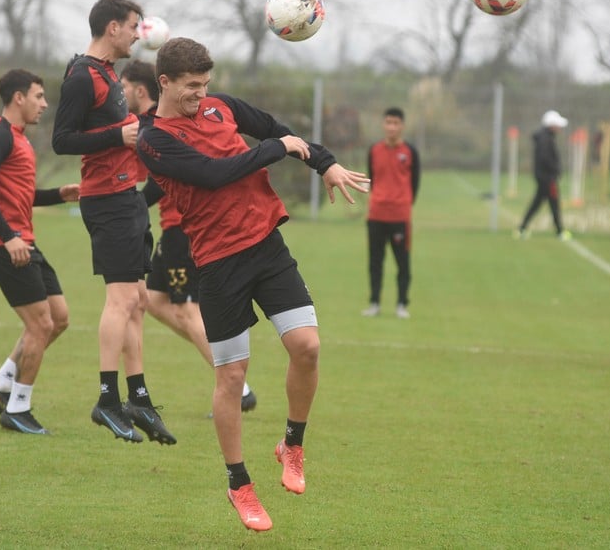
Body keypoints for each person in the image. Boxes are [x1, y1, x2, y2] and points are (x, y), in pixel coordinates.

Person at [136, 37, 369, 531]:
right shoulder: (153, 139)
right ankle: (239, 483)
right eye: (191, 86)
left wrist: (324, 162)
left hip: (266, 247)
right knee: (232, 377)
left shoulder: (222, 107)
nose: (201, 94)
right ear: (165, 83)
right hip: (219, 264)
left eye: (205, 84)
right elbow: (212, 174)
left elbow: (281, 132)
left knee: (307, 346)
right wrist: (273, 150)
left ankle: (292, 444)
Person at [52, 0, 175, 445]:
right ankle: (107, 399)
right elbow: (62, 140)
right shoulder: (83, 75)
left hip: (126, 198)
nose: (137, 34)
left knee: (137, 302)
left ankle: (138, 396)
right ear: (111, 28)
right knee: (121, 301)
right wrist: (117, 135)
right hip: (106, 201)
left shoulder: (107, 74)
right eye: (132, 26)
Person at [121, 59, 258, 413]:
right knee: (154, 300)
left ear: (141, 89)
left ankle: (237, 387)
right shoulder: (152, 125)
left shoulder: (159, 128)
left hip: (184, 228)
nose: (120, 96)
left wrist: (130, 204)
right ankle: (233, 378)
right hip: (172, 229)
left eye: (123, 88)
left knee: (185, 309)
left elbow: (166, 179)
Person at [0, 69, 79, 435]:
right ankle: (18, 407)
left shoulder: (20, 139)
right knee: (40, 324)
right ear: (19, 98)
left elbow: (20, 196)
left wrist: (58, 195)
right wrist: (8, 237)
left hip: (23, 240)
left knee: (59, 318)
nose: (44, 104)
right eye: (38, 96)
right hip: (4, 245)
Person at [361, 107, 421, 320]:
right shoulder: (374, 150)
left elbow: (415, 183)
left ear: (402, 126)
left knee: (402, 262)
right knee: (375, 261)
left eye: (396, 123)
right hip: (376, 215)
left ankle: (402, 304)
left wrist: (402, 203)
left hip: (399, 217)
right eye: (388, 122)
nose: (392, 127)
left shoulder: (410, 152)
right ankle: (374, 303)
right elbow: (373, 178)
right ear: (383, 125)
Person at [515, 109, 571, 241]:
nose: (559, 128)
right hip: (547, 178)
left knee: (538, 203)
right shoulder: (545, 139)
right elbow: (545, 158)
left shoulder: (544, 137)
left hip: (544, 177)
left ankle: (522, 228)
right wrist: (555, 170)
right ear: (551, 125)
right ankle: (560, 231)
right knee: (554, 204)